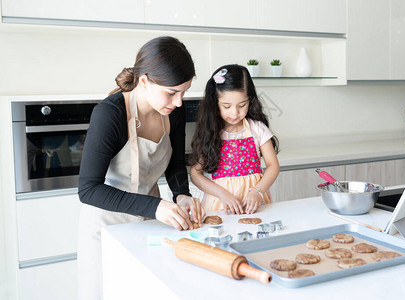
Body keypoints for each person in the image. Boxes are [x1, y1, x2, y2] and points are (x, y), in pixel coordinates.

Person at [77, 36, 205, 300]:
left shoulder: (173, 111)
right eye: (172, 92)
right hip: (106, 227)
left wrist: (182, 194)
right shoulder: (110, 114)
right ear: (145, 81)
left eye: (184, 91)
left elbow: (176, 163)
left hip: (151, 223)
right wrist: (156, 206)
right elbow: (88, 189)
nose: (179, 102)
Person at [190, 64, 280, 215]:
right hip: (220, 205)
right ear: (215, 103)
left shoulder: (257, 129)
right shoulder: (211, 133)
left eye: (242, 105)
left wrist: (257, 192)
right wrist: (222, 194)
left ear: (250, 101)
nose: (234, 113)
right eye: (226, 106)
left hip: (254, 205)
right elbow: (195, 174)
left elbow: (273, 166)